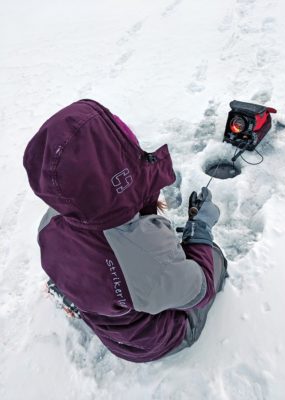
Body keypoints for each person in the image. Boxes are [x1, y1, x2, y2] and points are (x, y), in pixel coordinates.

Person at [23, 99, 228, 363]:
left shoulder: (51, 222)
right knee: (213, 260)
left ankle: (78, 294)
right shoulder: (143, 255)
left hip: (101, 302)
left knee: (103, 275)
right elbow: (200, 291)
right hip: (147, 342)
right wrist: (200, 229)